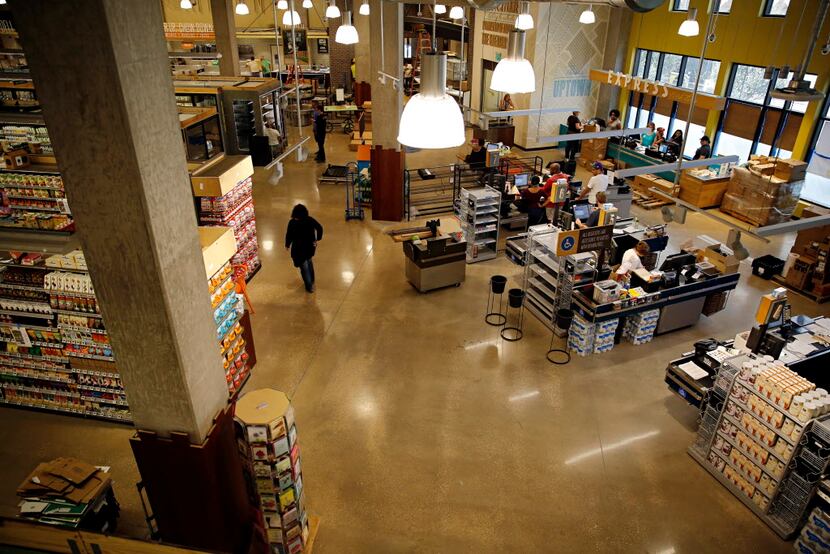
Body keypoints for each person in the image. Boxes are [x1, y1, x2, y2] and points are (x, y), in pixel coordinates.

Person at [284, 204, 324, 293]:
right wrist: (317, 239)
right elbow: (319, 228)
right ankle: (312, 281)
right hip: (310, 247)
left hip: (299, 249)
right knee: (309, 262)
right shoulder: (310, 220)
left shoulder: (292, 222)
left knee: (304, 268)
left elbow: (289, 234)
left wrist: (287, 244)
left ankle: (309, 286)